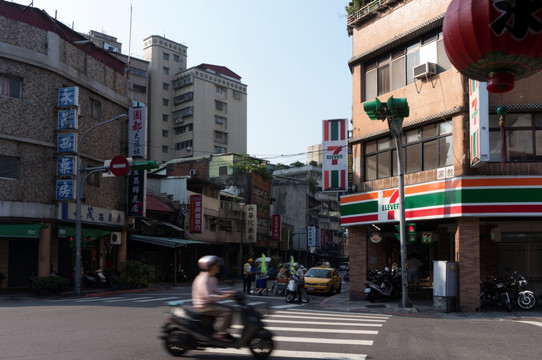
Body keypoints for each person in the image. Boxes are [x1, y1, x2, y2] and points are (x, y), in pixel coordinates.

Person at [192, 255, 235, 342]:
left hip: (209, 304)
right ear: (210, 266)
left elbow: (217, 291)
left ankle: (223, 331)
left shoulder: (212, 278)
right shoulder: (203, 279)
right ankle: (219, 334)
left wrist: (229, 293)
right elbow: (207, 296)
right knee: (227, 311)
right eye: (216, 264)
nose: (218, 266)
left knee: (231, 309)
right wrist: (223, 296)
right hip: (203, 306)